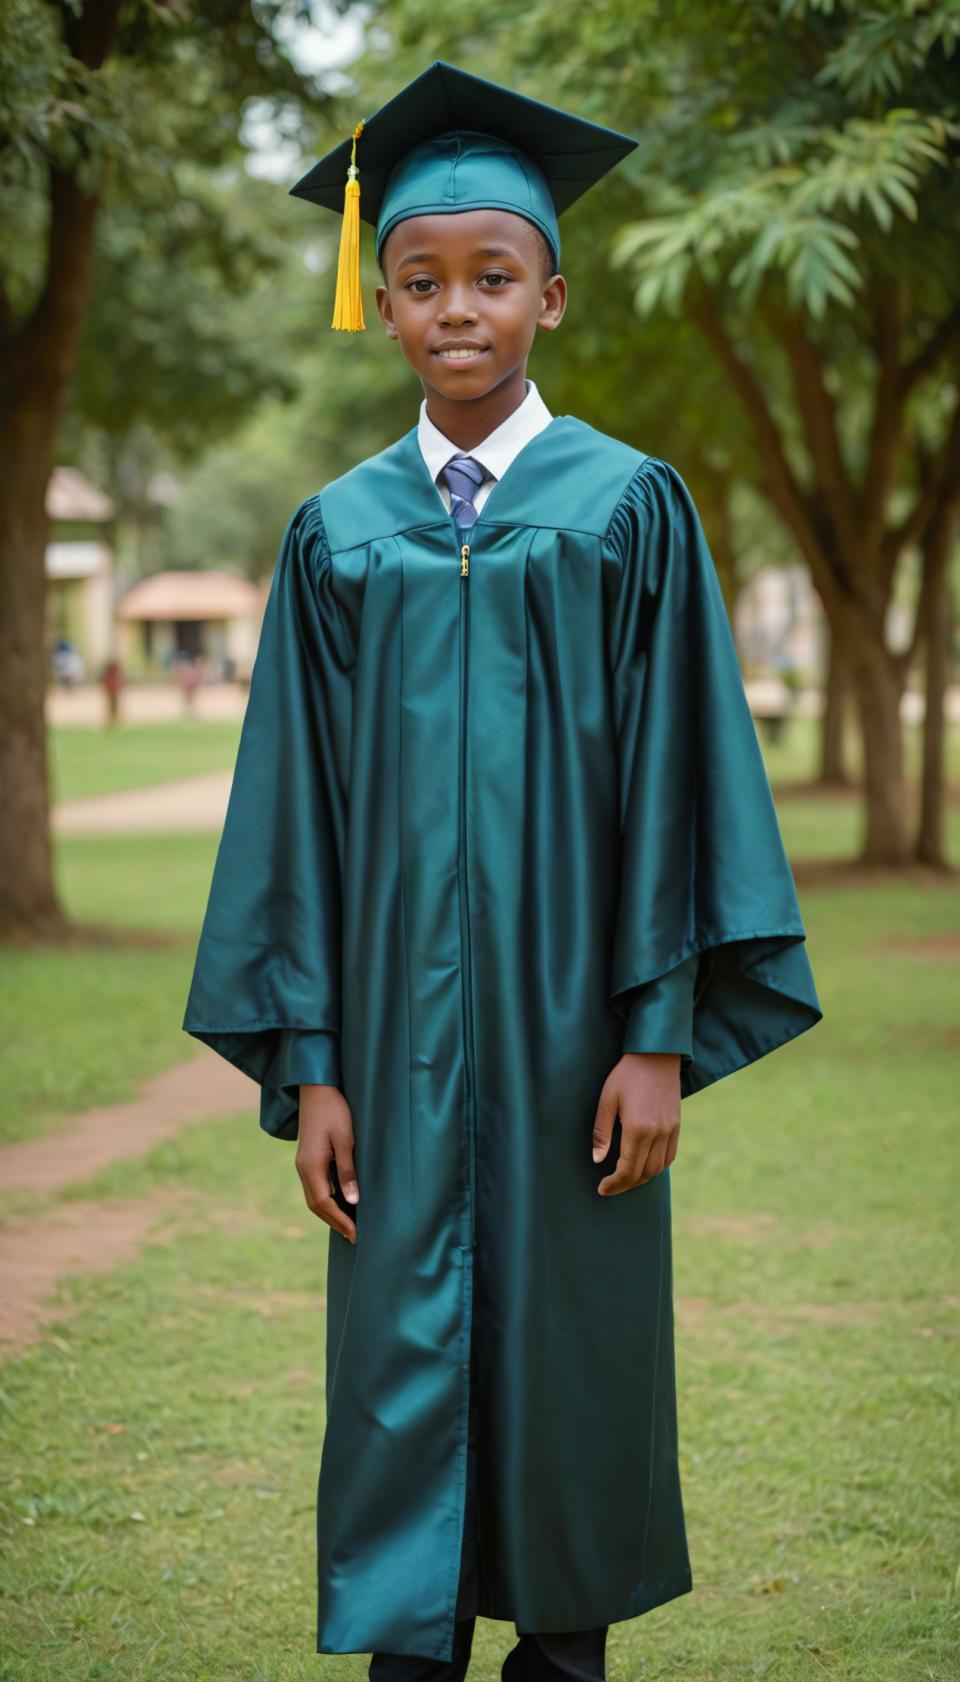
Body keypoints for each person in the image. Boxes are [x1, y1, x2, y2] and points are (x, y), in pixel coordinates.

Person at [182, 60, 822, 1682]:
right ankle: (413, 1654)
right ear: (384, 301)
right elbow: (297, 821)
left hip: (572, 1048)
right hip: (391, 1054)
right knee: (400, 1365)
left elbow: (685, 789)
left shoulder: (629, 511)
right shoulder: (338, 532)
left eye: (489, 276)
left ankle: (565, 1653)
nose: (454, 307)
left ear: (551, 290)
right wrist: (310, 1065)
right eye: (420, 279)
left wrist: (659, 1032)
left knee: (567, 1365)